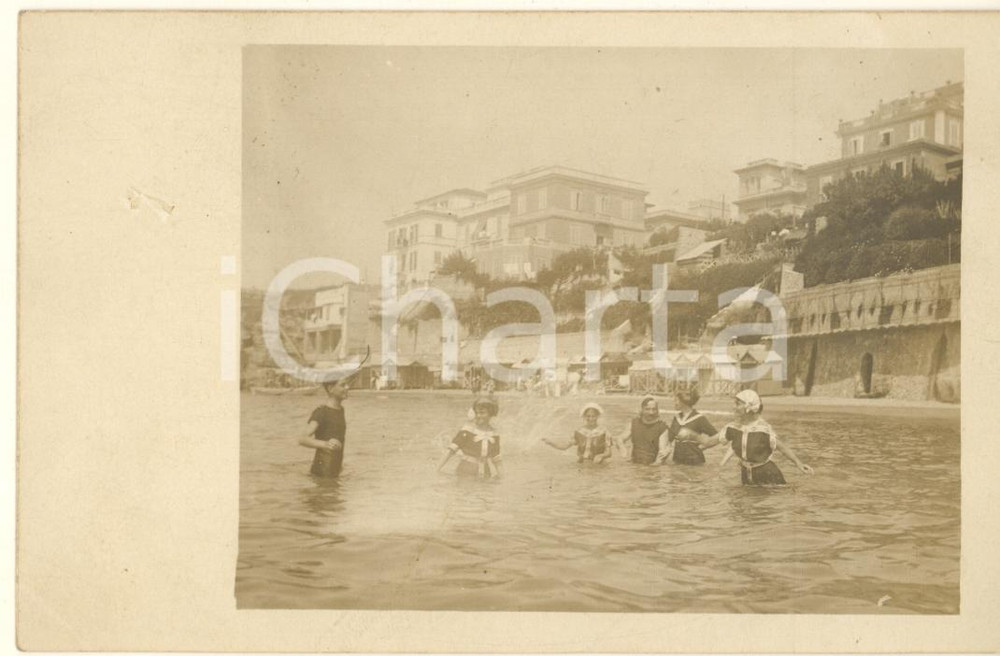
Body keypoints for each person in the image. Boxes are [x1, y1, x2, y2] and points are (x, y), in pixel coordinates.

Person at [718, 389, 814, 485]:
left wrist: (799, 464)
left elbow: (782, 447)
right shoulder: (736, 427)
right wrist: (721, 464)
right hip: (746, 473)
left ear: (748, 408)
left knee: (777, 496)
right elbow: (734, 444)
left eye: (737, 404)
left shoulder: (763, 429)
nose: (733, 407)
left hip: (767, 474)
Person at [437, 397, 504, 479]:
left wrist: (502, 477)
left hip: (486, 473)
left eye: (482, 413)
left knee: (486, 491)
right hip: (466, 470)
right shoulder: (468, 430)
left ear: (490, 414)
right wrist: (437, 470)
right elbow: (450, 451)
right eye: (477, 413)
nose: (479, 416)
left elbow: (497, 460)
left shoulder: (494, 434)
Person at [298, 378, 349, 478]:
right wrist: (325, 444)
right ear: (330, 388)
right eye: (343, 385)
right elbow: (303, 439)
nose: (347, 387)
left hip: (333, 470)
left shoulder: (341, 410)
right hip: (322, 472)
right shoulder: (322, 412)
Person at [654, 387, 719, 465]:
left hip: (695, 463)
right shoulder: (677, 418)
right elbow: (669, 438)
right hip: (677, 462)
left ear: (683, 402)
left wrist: (702, 447)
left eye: (676, 400)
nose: (674, 402)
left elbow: (717, 437)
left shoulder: (699, 418)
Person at [543, 402, 611, 464]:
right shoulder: (579, 432)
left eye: (593, 416)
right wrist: (550, 442)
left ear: (597, 416)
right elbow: (564, 447)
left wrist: (601, 455)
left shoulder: (604, 432)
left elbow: (609, 453)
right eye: (588, 416)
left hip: (598, 466)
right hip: (581, 465)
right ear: (584, 416)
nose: (590, 419)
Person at [614, 396, 669, 464]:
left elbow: (662, 453)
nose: (651, 412)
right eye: (647, 409)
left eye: (654, 409)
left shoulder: (662, 427)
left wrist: (654, 468)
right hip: (634, 464)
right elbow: (619, 438)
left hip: (652, 465)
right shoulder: (634, 423)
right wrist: (623, 449)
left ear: (657, 410)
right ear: (642, 410)